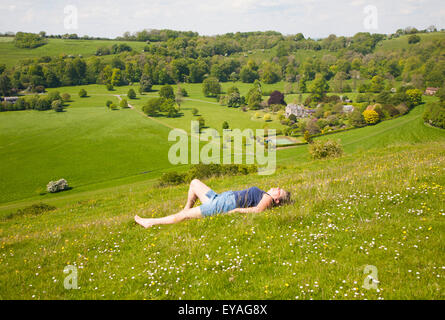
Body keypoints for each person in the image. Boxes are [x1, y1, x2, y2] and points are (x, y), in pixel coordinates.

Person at [135, 179, 291, 228]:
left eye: (279, 191)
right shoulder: (267, 195)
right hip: (220, 198)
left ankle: (150, 222)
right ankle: (186, 210)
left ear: (277, 200)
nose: (277, 188)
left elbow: (257, 211)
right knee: (194, 183)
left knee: (185, 216)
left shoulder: (268, 198)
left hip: (224, 204)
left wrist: (236, 211)